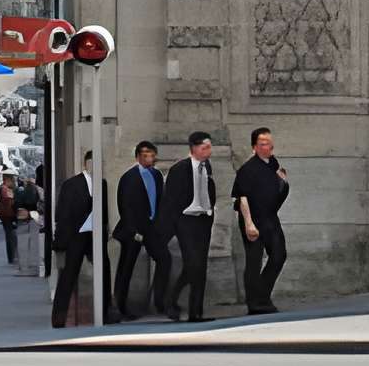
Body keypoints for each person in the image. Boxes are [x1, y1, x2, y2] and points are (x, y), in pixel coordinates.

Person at [233, 127, 290, 315]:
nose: (268, 146)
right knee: (254, 261)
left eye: (269, 143)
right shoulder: (247, 169)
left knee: (279, 254)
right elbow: (242, 198)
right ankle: (254, 303)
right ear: (254, 147)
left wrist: (282, 182)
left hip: (270, 217)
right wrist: (249, 223)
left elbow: (277, 192)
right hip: (253, 219)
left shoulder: (273, 164)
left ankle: (262, 295)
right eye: (263, 143)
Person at [112, 140, 172, 321]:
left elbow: (161, 201)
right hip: (133, 230)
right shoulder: (129, 177)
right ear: (138, 156)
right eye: (145, 155)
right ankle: (121, 307)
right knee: (126, 267)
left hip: (152, 228)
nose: (149, 158)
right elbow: (125, 206)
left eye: (152, 155)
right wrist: (133, 231)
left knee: (165, 259)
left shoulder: (156, 175)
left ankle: (159, 302)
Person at [167, 131, 220, 323]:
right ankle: (170, 299)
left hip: (203, 221)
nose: (209, 151)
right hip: (186, 221)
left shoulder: (207, 167)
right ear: (194, 148)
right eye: (205, 147)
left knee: (200, 267)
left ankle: (196, 312)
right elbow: (171, 200)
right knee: (192, 264)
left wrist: (210, 213)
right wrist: (177, 223)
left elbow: (209, 190)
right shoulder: (179, 169)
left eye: (209, 147)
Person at [51, 151, 96, 327]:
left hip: (94, 237)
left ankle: (106, 309)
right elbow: (63, 213)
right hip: (75, 238)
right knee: (68, 276)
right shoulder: (72, 184)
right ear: (85, 164)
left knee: (104, 270)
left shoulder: (102, 183)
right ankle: (59, 316)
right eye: (91, 162)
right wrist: (61, 240)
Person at [0, 172, 25, 268]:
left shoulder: (2, 189)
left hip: (4, 216)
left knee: (10, 236)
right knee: (12, 237)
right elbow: (11, 202)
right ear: (8, 180)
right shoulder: (6, 190)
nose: (14, 182)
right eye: (13, 180)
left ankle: (12, 257)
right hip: (9, 215)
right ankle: (13, 257)